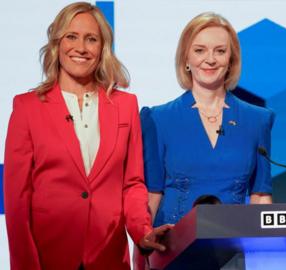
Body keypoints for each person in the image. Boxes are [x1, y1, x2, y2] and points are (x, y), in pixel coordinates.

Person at [3, 2, 171, 269]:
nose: (80, 48)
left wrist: (142, 231)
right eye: (71, 36)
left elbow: (132, 183)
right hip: (49, 257)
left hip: (108, 257)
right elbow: (16, 200)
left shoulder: (126, 106)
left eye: (91, 39)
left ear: (102, 48)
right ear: (57, 44)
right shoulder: (27, 107)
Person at [141, 11, 274, 229]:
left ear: (231, 60)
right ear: (186, 58)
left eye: (220, 51)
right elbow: (152, 194)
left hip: (236, 247)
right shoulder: (157, 119)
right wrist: (143, 250)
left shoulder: (258, 120)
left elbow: (260, 196)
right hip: (173, 249)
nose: (210, 59)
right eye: (200, 50)